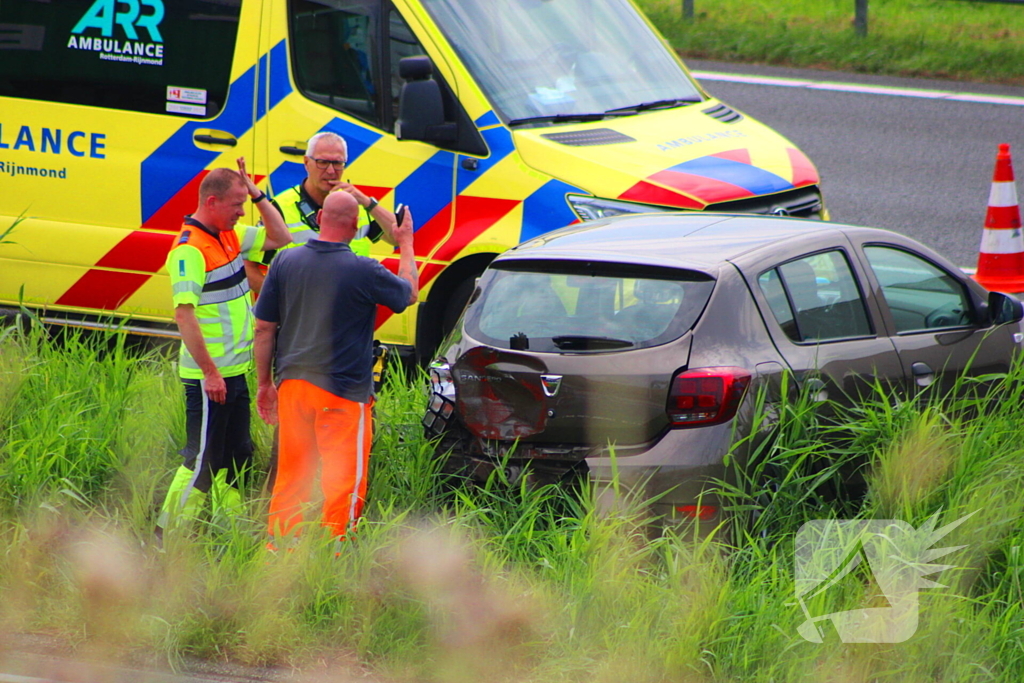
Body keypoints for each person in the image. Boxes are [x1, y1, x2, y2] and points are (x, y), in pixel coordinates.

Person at [253, 191, 418, 543]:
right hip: (342, 394)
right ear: (355, 226)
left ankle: (280, 553)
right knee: (344, 480)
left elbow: (264, 327)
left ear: (321, 220)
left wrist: (265, 384)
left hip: (293, 387)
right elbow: (408, 294)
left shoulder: (285, 261)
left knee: (292, 476)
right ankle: (334, 555)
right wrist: (405, 242)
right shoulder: (363, 269)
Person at [156, 159, 291, 540]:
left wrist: (256, 191)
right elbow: (185, 317)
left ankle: (227, 532)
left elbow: (281, 238)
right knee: (200, 460)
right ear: (212, 202)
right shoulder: (190, 251)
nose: (241, 212)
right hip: (208, 377)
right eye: (236, 204)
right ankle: (166, 539)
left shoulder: (227, 235)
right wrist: (211, 373)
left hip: (234, 373)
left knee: (238, 457)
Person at [243, 131, 398, 295]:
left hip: (350, 311)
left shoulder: (357, 204)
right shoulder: (280, 208)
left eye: (338, 163)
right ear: (306, 162)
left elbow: (397, 237)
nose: (331, 171)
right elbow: (248, 266)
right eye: (323, 162)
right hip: (301, 316)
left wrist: (367, 202)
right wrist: (281, 301)